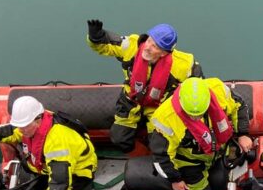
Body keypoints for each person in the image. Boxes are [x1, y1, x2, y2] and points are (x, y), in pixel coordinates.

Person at [148, 77, 253, 190]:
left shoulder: (218, 90)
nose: (195, 118)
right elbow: (160, 157)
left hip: (217, 148)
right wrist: (175, 179)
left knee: (243, 159)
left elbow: (240, 106)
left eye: (199, 114)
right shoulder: (166, 119)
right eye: (191, 115)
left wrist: (243, 134)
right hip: (189, 161)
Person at [86, 19, 203, 153]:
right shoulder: (132, 46)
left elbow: (198, 86)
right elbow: (105, 45)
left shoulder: (183, 64)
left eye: (154, 46)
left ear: (164, 53)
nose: (147, 47)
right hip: (130, 102)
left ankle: (152, 150)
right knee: (119, 138)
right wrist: (95, 37)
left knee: (160, 143)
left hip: (158, 108)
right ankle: (137, 151)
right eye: (149, 41)